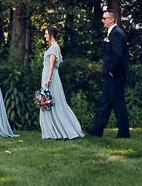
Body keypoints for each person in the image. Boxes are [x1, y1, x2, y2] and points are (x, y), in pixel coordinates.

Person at [87, 10, 131, 138]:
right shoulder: (112, 33)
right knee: (105, 102)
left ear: (112, 19)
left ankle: (124, 132)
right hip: (110, 74)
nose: (103, 20)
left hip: (115, 75)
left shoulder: (116, 33)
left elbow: (118, 54)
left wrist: (111, 70)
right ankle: (97, 130)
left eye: (104, 18)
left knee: (118, 103)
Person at [39, 27, 84, 139]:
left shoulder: (54, 48)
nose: (44, 36)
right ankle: (51, 129)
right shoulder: (54, 47)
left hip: (50, 77)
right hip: (49, 76)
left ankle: (61, 129)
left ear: (50, 34)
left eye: (46, 34)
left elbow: (52, 65)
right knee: (49, 102)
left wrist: (48, 80)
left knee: (53, 102)